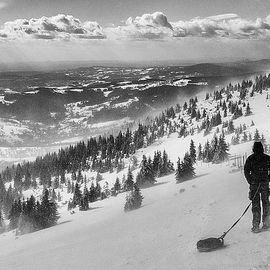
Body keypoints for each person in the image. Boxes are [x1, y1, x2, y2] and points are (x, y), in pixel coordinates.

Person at [244, 141, 270, 233]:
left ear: (253, 148)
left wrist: (251, 181)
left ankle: (256, 226)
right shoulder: (267, 158)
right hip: (263, 184)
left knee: (256, 205)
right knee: (266, 203)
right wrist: (268, 179)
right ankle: (266, 224)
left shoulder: (250, 159)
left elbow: (246, 171)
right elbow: (246, 171)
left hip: (255, 185)